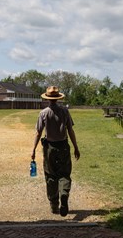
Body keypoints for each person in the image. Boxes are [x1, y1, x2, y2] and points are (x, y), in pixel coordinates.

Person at [31, 86, 80, 216]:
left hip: (49, 148)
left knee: (51, 175)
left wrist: (34, 149)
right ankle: (64, 193)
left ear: (47, 99)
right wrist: (76, 147)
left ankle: (54, 205)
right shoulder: (65, 111)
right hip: (63, 146)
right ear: (58, 98)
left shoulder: (43, 113)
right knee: (64, 173)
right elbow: (70, 130)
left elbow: (38, 132)